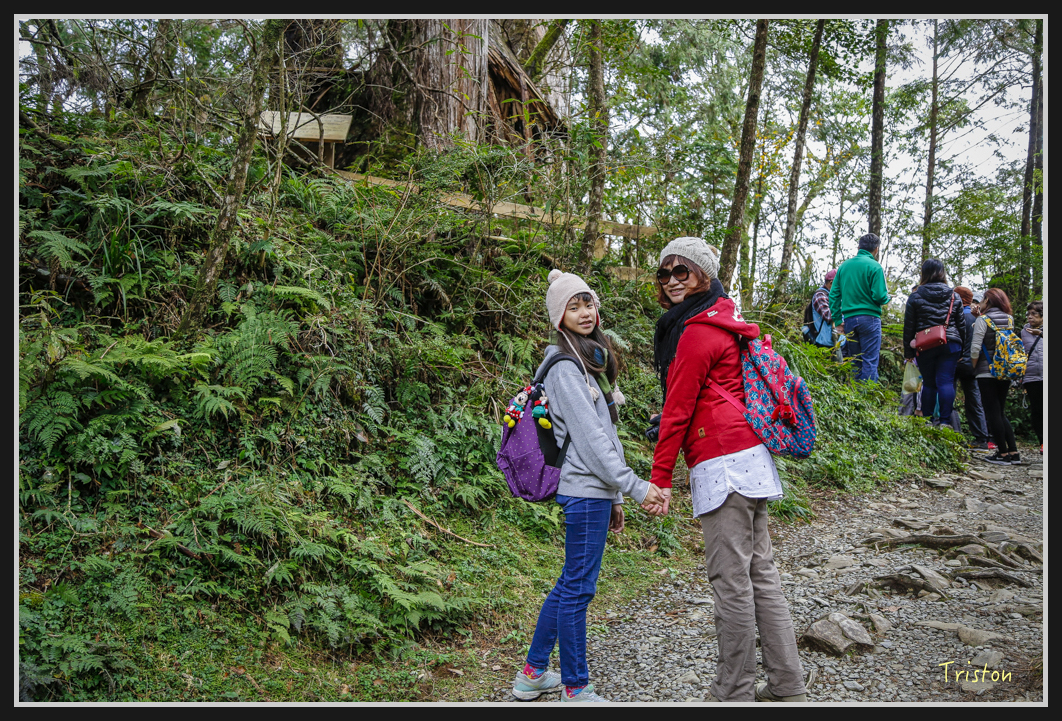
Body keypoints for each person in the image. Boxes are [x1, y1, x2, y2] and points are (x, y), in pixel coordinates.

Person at [645, 237, 808, 703]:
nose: (674, 280)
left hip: (722, 465)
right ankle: (786, 684)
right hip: (751, 458)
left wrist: (660, 479)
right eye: (666, 273)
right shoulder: (727, 321)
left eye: (684, 271)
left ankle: (732, 692)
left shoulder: (695, 331)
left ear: (705, 275)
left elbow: (678, 411)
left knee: (730, 582)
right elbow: (710, 393)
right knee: (762, 575)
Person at [513, 269, 664, 703]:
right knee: (578, 588)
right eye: (573, 306)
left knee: (570, 583)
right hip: (581, 490)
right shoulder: (564, 367)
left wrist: (614, 496)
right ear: (559, 317)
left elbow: (605, 434)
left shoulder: (589, 363)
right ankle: (576, 688)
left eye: (589, 303)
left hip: (593, 492)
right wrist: (635, 488)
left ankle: (533, 673)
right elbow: (592, 441)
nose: (584, 312)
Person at [903, 259, 966, 430]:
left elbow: (909, 326)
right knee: (945, 381)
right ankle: (945, 422)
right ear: (942, 273)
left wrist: (908, 351)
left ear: (924, 273)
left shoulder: (916, 296)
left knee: (929, 383)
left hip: (926, 344)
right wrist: (963, 350)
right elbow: (961, 325)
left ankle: (928, 421)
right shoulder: (954, 296)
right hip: (951, 343)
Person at [829, 233, 891, 381]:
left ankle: (856, 399)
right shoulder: (875, 267)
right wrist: (887, 297)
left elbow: (833, 295)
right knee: (869, 361)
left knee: (855, 361)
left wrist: (838, 321)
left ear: (858, 247)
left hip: (849, 320)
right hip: (870, 319)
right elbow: (879, 296)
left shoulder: (844, 266)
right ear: (876, 249)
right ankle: (868, 398)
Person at [970, 288, 1020, 465]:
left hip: (986, 371)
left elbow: (976, 347)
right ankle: (1013, 452)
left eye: (983, 300)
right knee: (1000, 411)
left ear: (988, 301)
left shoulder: (984, 320)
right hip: (1005, 370)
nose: (980, 303)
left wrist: (974, 366)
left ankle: (1003, 454)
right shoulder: (1009, 319)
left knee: (992, 413)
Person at [954, 286, 991, 449]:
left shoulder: (956, 315)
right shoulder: (978, 317)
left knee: (947, 395)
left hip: (955, 362)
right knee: (974, 400)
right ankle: (981, 437)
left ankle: (953, 432)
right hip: (973, 364)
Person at [1020, 300, 1044, 452]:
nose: (1030, 317)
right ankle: (1043, 442)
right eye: (1028, 314)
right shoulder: (1023, 332)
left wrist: (1041, 334)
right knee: (1037, 410)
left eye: (1034, 314)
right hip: (1032, 376)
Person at [804, 269, 836, 348]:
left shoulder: (833, 295)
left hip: (834, 341)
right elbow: (828, 316)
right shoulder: (820, 295)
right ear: (831, 283)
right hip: (822, 342)